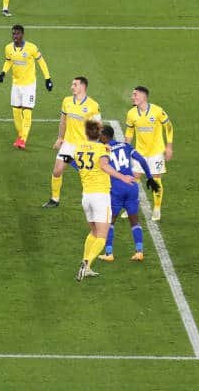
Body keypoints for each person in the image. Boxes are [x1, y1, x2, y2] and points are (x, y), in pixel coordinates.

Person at [69, 120, 136, 282]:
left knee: (93, 232)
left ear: (86, 133)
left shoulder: (78, 148)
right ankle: (86, 264)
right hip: (100, 196)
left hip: (87, 197)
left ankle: (87, 266)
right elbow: (105, 166)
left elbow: (74, 163)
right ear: (98, 134)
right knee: (102, 236)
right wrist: (123, 177)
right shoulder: (102, 149)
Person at [97, 125, 160, 262]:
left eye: (100, 134)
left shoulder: (102, 148)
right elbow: (142, 160)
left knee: (110, 221)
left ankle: (109, 253)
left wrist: (71, 161)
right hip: (131, 186)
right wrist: (149, 178)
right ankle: (139, 252)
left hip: (116, 188)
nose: (98, 136)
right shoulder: (125, 145)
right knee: (134, 220)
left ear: (105, 136)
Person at [42, 76, 101, 208]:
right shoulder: (67, 101)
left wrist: (95, 146)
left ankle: (94, 200)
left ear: (82, 87)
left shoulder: (93, 105)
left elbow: (98, 128)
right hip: (68, 145)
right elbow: (63, 121)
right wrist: (60, 138)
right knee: (57, 171)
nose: (72, 87)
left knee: (88, 177)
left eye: (74, 84)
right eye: (72, 84)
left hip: (84, 146)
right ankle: (54, 199)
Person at [0, 24, 52, 149]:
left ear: (22, 34)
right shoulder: (8, 48)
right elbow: (8, 61)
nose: (14, 36)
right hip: (16, 84)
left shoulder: (31, 48)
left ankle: (23, 139)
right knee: (16, 111)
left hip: (29, 85)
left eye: (17, 34)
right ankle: (21, 135)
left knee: (27, 111)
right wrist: (3, 72)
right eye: (13, 34)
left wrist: (47, 78)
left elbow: (41, 62)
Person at [125, 86, 173, 221]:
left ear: (143, 96)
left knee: (155, 179)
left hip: (156, 152)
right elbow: (129, 132)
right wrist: (126, 148)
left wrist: (169, 147)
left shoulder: (157, 111)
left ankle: (157, 208)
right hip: (140, 152)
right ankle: (130, 207)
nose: (132, 97)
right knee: (133, 178)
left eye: (135, 95)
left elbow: (168, 127)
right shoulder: (131, 113)